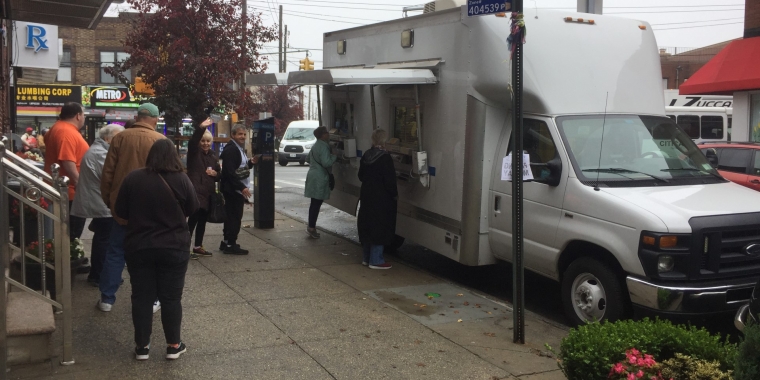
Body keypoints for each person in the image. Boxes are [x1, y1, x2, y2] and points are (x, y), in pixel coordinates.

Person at [115, 139, 199, 361]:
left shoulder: (133, 178)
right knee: (171, 298)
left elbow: (120, 210)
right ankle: (173, 345)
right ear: (174, 156)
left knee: (141, 297)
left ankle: (142, 347)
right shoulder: (182, 179)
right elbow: (193, 208)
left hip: (139, 246)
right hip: (174, 246)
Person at [98, 103, 166, 312]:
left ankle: (107, 299)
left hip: (122, 206)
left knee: (115, 251)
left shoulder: (119, 138)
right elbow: (168, 176)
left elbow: (107, 174)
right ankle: (153, 299)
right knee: (151, 254)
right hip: (151, 208)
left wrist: (109, 201)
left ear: (137, 117)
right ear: (154, 119)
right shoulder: (161, 141)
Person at [70, 124, 125, 287]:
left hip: (100, 201)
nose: (119, 142)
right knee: (105, 240)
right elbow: (112, 176)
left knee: (103, 238)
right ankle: (98, 275)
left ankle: (99, 273)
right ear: (108, 138)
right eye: (117, 138)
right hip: (101, 203)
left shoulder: (100, 150)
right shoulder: (102, 153)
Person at [44, 103, 89, 241]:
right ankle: (69, 260)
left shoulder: (58, 127)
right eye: (84, 115)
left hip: (65, 190)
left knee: (66, 234)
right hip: (69, 192)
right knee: (71, 235)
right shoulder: (66, 132)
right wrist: (79, 185)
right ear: (78, 115)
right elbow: (68, 162)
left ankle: (68, 258)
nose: (84, 118)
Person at [357, 129, 397, 270]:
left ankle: (366, 258)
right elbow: (390, 181)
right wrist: (394, 195)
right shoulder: (385, 158)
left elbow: (360, 175)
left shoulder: (367, 154)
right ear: (384, 141)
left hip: (367, 195)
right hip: (381, 198)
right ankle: (376, 260)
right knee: (380, 226)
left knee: (367, 225)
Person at [219, 123, 258, 255]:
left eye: (244, 134)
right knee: (234, 217)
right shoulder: (231, 150)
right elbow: (230, 173)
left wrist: (250, 163)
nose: (243, 137)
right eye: (240, 134)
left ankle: (226, 242)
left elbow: (240, 168)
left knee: (230, 217)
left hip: (234, 189)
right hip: (233, 190)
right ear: (233, 135)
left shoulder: (237, 148)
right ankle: (231, 244)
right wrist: (242, 188)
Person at [186, 118, 219, 258]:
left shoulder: (213, 156)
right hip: (196, 193)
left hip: (208, 193)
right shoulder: (194, 153)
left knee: (202, 222)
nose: (205, 144)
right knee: (192, 222)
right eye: (203, 141)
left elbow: (219, 174)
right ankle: (185, 248)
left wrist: (216, 174)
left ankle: (198, 246)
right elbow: (193, 142)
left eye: (208, 141)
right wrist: (201, 127)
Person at [303, 126, 337, 239]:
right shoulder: (323, 147)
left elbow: (308, 159)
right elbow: (326, 163)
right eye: (327, 132)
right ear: (323, 135)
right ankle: (311, 228)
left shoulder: (315, 145)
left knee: (314, 203)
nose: (328, 134)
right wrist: (334, 156)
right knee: (316, 204)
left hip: (312, 174)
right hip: (320, 177)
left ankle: (311, 226)